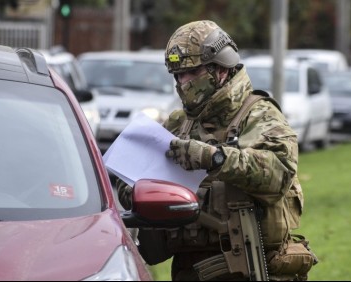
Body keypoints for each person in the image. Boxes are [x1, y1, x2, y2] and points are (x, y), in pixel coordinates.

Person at [116, 20, 314, 281]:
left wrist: (214, 158)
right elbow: (134, 182)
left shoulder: (259, 114)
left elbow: (278, 173)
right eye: (177, 75)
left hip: (251, 267)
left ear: (220, 69)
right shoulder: (179, 123)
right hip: (188, 269)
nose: (182, 82)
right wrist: (133, 189)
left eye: (190, 73)